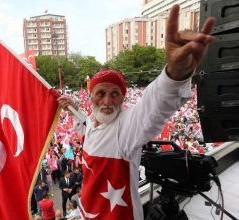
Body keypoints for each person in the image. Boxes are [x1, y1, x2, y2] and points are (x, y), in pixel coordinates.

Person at [57, 4, 215, 219]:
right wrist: (73, 107)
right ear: (91, 96)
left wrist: (175, 73)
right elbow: (87, 123)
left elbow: (153, 107)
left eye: (115, 94)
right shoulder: (94, 122)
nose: (107, 101)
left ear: (123, 98)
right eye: (100, 93)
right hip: (89, 212)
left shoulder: (126, 127)